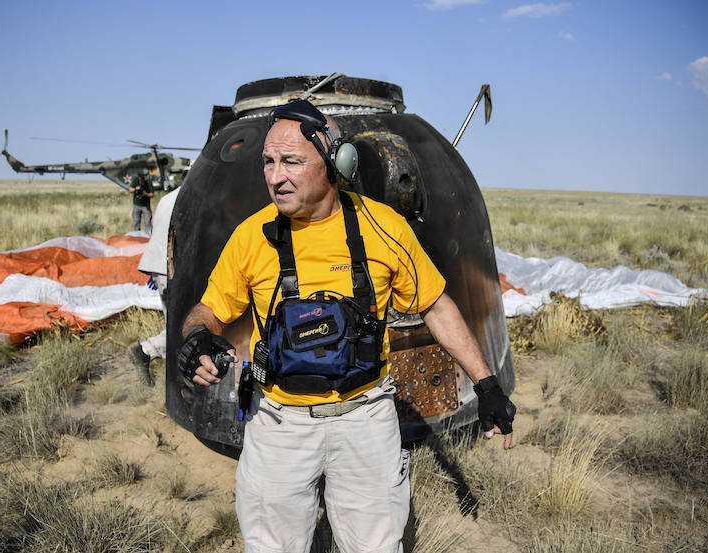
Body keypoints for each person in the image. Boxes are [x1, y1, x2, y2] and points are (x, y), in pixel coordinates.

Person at [177, 99, 515, 553]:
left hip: (366, 419)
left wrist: (487, 383)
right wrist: (196, 338)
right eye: (269, 162)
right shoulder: (251, 237)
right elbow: (208, 310)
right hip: (279, 423)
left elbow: (437, 307)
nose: (276, 177)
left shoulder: (385, 227)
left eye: (291, 162)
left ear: (337, 164)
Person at [127, 188, 180, 386]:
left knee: (177, 324)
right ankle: (145, 351)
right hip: (174, 268)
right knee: (185, 326)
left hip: (160, 266)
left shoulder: (168, 197)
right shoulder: (196, 196)